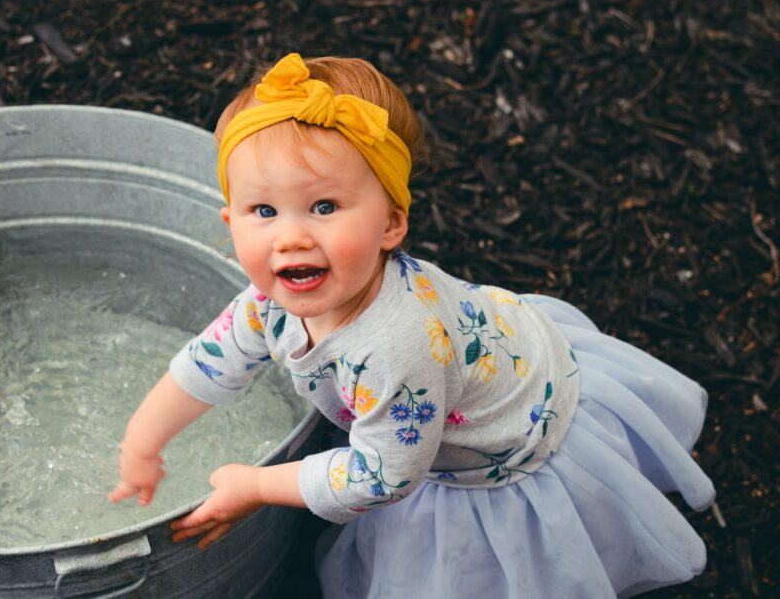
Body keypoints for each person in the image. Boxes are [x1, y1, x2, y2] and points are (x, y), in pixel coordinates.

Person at [108, 52, 715, 598]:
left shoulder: (393, 347)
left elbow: (382, 477)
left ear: (391, 224)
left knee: (478, 572)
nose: (291, 235)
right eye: (263, 210)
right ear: (230, 220)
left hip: (502, 442)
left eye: (325, 207)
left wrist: (257, 486)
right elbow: (208, 363)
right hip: (482, 356)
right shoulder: (268, 302)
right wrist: (143, 440)